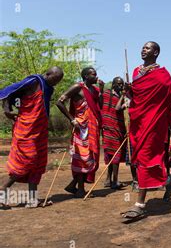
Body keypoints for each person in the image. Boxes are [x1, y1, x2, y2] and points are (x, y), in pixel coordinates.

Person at [121, 41, 171, 220]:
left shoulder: (163, 74)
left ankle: (140, 205)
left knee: (145, 157)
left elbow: (169, 97)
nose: (143, 50)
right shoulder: (136, 72)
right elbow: (134, 96)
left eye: (148, 48)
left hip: (153, 122)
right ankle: (167, 180)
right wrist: (129, 90)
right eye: (142, 47)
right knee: (139, 158)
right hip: (138, 120)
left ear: (156, 52)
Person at [0, 67, 64, 209]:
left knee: (38, 163)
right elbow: (7, 92)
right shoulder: (33, 81)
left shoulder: (48, 88)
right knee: (27, 160)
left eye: (58, 81)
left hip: (40, 131)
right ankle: (3, 189)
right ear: (47, 74)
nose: (56, 83)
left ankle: (32, 200)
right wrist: (7, 110)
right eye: (54, 79)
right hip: (26, 129)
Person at [57, 67, 103, 198]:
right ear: (85, 76)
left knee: (90, 158)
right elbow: (59, 102)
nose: (96, 76)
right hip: (81, 127)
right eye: (93, 74)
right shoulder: (78, 87)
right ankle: (81, 190)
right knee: (82, 158)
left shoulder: (95, 90)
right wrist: (72, 120)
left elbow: (100, 106)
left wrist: (102, 90)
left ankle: (73, 186)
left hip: (93, 128)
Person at [101, 77, 126, 190]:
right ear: (113, 85)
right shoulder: (107, 94)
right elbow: (117, 108)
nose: (120, 86)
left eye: (122, 85)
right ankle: (114, 181)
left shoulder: (121, 97)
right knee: (115, 154)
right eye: (118, 84)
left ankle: (108, 180)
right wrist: (123, 95)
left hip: (118, 128)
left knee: (113, 154)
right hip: (109, 127)